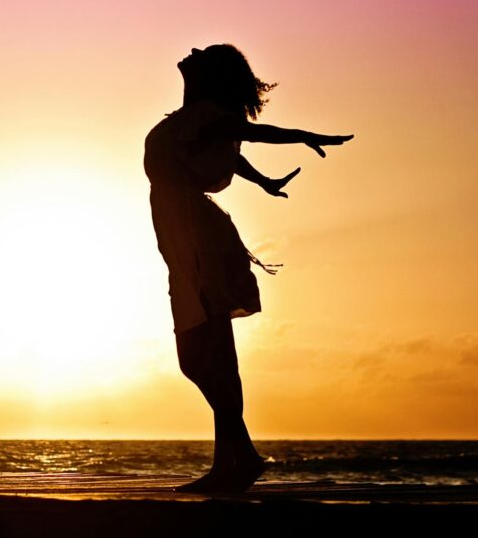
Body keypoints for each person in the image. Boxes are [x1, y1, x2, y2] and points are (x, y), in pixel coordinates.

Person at [143, 44, 352, 493]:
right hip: (188, 238)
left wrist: (303, 136)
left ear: (210, 74)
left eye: (204, 53)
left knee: (203, 355)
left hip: (199, 240)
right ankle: (236, 460)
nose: (193, 50)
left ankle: (238, 458)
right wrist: (264, 182)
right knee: (208, 355)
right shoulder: (191, 120)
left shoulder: (206, 115)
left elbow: (253, 135)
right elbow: (231, 153)